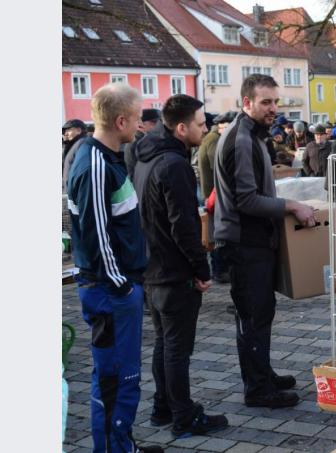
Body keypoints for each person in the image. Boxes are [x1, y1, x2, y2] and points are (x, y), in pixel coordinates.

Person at [66, 83, 163, 453]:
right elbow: (94, 233)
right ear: (121, 120)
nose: (140, 126)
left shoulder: (108, 157)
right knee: (114, 378)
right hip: (109, 290)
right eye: (138, 119)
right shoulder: (92, 161)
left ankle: (122, 444)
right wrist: (121, 285)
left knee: (125, 376)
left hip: (117, 287)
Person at [213, 74, 316, 408]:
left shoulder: (252, 134)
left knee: (260, 313)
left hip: (254, 240)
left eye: (276, 101)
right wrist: (292, 205)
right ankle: (257, 389)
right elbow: (246, 200)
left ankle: (262, 374)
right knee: (253, 316)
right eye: (266, 102)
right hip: (244, 243)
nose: (274, 108)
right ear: (247, 103)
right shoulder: (241, 139)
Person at [132, 94, 229, 438]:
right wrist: (201, 270)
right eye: (202, 125)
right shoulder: (172, 165)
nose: (205, 130)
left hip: (153, 268)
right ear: (182, 127)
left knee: (164, 343)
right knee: (176, 348)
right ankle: (184, 416)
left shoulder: (146, 156)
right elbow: (183, 225)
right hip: (171, 272)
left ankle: (163, 407)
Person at [199, 111, 236, 283]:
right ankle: (219, 271)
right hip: (214, 194)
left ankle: (220, 269)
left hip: (213, 193)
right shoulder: (214, 140)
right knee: (217, 235)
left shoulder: (212, 138)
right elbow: (221, 167)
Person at [123, 108, 161, 177]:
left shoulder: (146, 139)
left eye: (159, 122)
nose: (157, 125)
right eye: (153, 122)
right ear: (141, 124)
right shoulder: (135, 142)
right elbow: (132, 171)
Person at [62, 119, 89, 191]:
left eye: (68, 130)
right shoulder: (75, 144)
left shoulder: (83, 143)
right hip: (74, 191)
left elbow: (83, 170)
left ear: (78, 130)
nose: (65, 134)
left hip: (79, 191)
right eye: (65, 132)